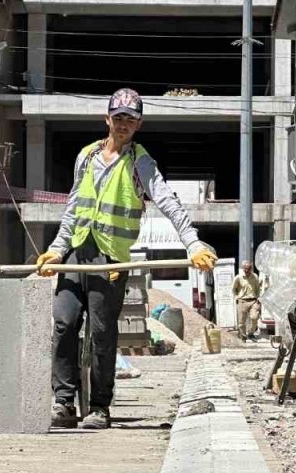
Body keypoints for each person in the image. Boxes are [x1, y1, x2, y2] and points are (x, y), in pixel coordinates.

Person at [35, 88, 217, 429]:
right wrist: (58, 249)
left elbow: (168, 202)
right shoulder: (87, 157)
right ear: (108, 119)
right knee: (64, 322)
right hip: (77, 250)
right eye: (118, 118)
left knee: (103, 332)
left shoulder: (140, 162)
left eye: (130, 121)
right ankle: (63, 402)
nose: (123, 125)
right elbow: (74, 206)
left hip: (112, 258)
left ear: (138, 125)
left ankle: (100, 407)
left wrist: (193, 244)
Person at [232, 260, 263, 340]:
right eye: (245, 268)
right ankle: (243, 336)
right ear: (243, 268)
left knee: (254, 317)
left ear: (251, 269)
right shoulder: (238, 277)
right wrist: (236, 297)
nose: (247, 270)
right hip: (242, 300)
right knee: (241, 322)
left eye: (249, 268)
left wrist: (258, 298)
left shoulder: (255, 277)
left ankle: (251, 332)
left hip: (253, 300)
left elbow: (258, 289)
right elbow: (233, 289)